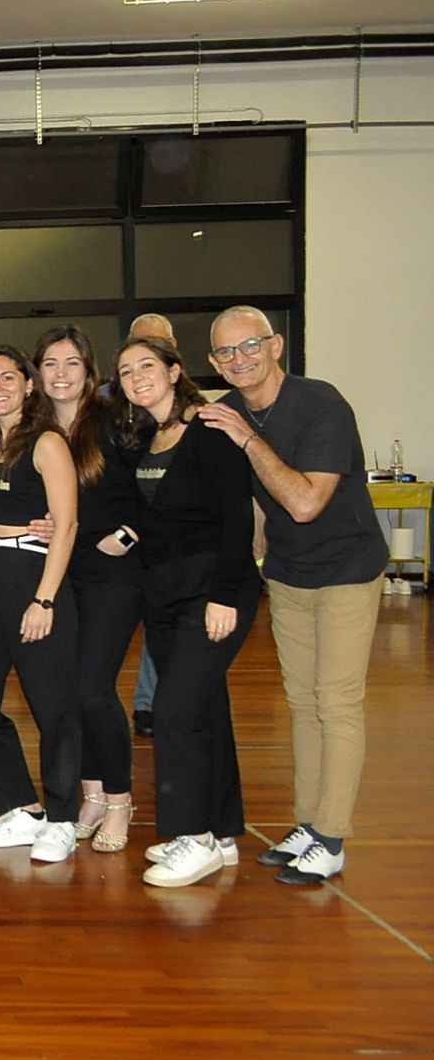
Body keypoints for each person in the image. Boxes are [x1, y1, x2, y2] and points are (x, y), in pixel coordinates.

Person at [198, 307, 386, 885]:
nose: (240, 359)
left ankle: (332, 836)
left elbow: (305, 503)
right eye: (226, 352)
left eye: (250, 345)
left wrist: (247, 438)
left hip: (347, 569)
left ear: (276, 345)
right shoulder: (226, 411)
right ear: (213, 363)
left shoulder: (321, 405)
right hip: (287, 572)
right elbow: (244, 501)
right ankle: (308, 823)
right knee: (302, 703)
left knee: (337, 700)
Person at [114, 336, 258, 888]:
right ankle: (222, 832)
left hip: (212, 592)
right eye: (126, 371)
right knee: (206, 709)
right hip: (165, 596)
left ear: (175, 371)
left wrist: (224, 595)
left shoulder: (210, 429)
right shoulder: (146, 438)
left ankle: (191, 836)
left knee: (174, 710)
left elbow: (236, 518)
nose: (136, 377)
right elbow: (150, 518)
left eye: (146, 366)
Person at [0, 345, 83, 862]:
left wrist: (44, 599)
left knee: (52, 707)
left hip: (31, 573)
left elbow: (66, 525)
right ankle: (20, 809)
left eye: (8, 378)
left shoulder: (47, 442)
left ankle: (63, 819)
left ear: (29, 385)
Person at [35, 327, 142, 852]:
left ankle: (120, 800)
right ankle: (93, 793)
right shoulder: (31, 427)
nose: (60, 374)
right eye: (50, 364)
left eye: (71, 363)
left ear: (88, 370)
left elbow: (153, 484)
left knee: (93, 689)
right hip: (61, 571)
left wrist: (127, 535)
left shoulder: (114, 419)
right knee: (70, 690)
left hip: (112, 574)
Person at [125, 314, 178, 735]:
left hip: (183, 562)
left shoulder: (199, 419)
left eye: (152, 356)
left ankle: (152, 703)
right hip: (135, 553)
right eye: (130, 366)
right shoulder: (121, 413)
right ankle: (148, 703)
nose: (139, 374)